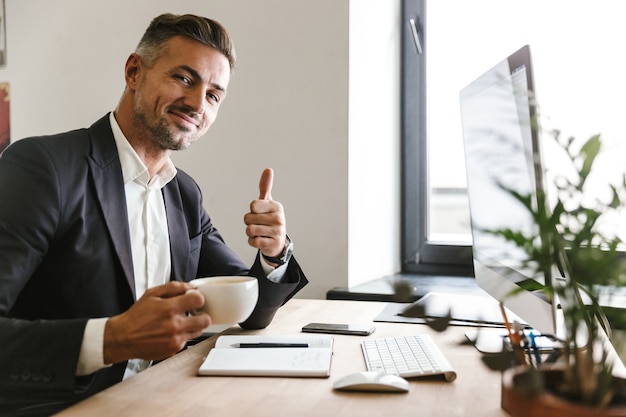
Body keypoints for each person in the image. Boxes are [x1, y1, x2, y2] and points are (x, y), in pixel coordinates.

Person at [0, 13, 308, 416]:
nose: (198, 104)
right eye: (184, 78)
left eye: (214, 95)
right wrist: (112, 338)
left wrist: (274, 252)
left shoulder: (183, 194)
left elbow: (247, 310)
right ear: (134, 72)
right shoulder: (43, 167)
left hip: (161, 400)